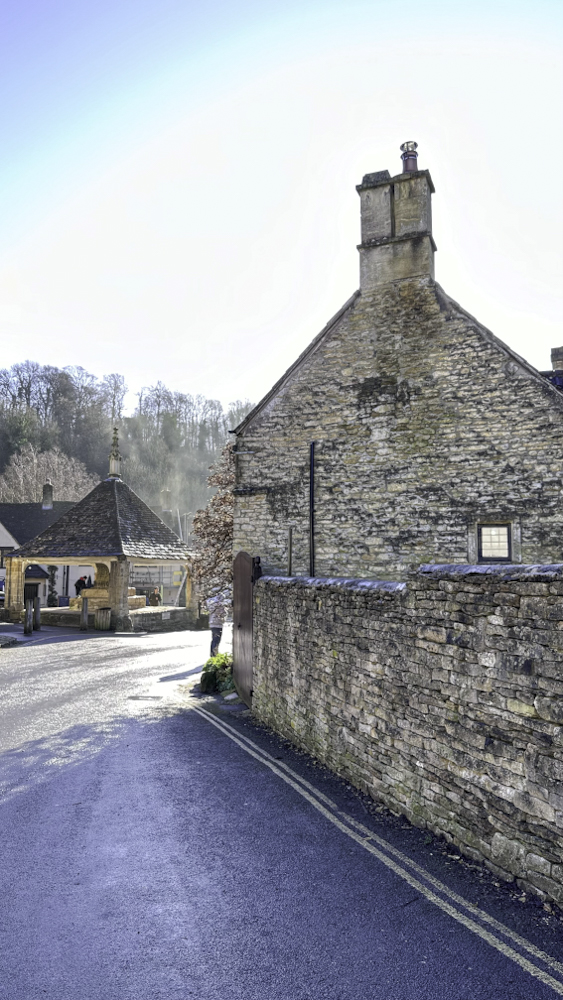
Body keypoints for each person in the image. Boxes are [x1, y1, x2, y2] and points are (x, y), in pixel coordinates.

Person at [206, 587, 230, 657]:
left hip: (212, 623)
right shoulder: (220, 604)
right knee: (217, 640)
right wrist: (226, 609)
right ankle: (215, 654)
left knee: (213, 639)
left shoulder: (210, 602)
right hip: (218, 623)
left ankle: (212, 653)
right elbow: (223, 614)